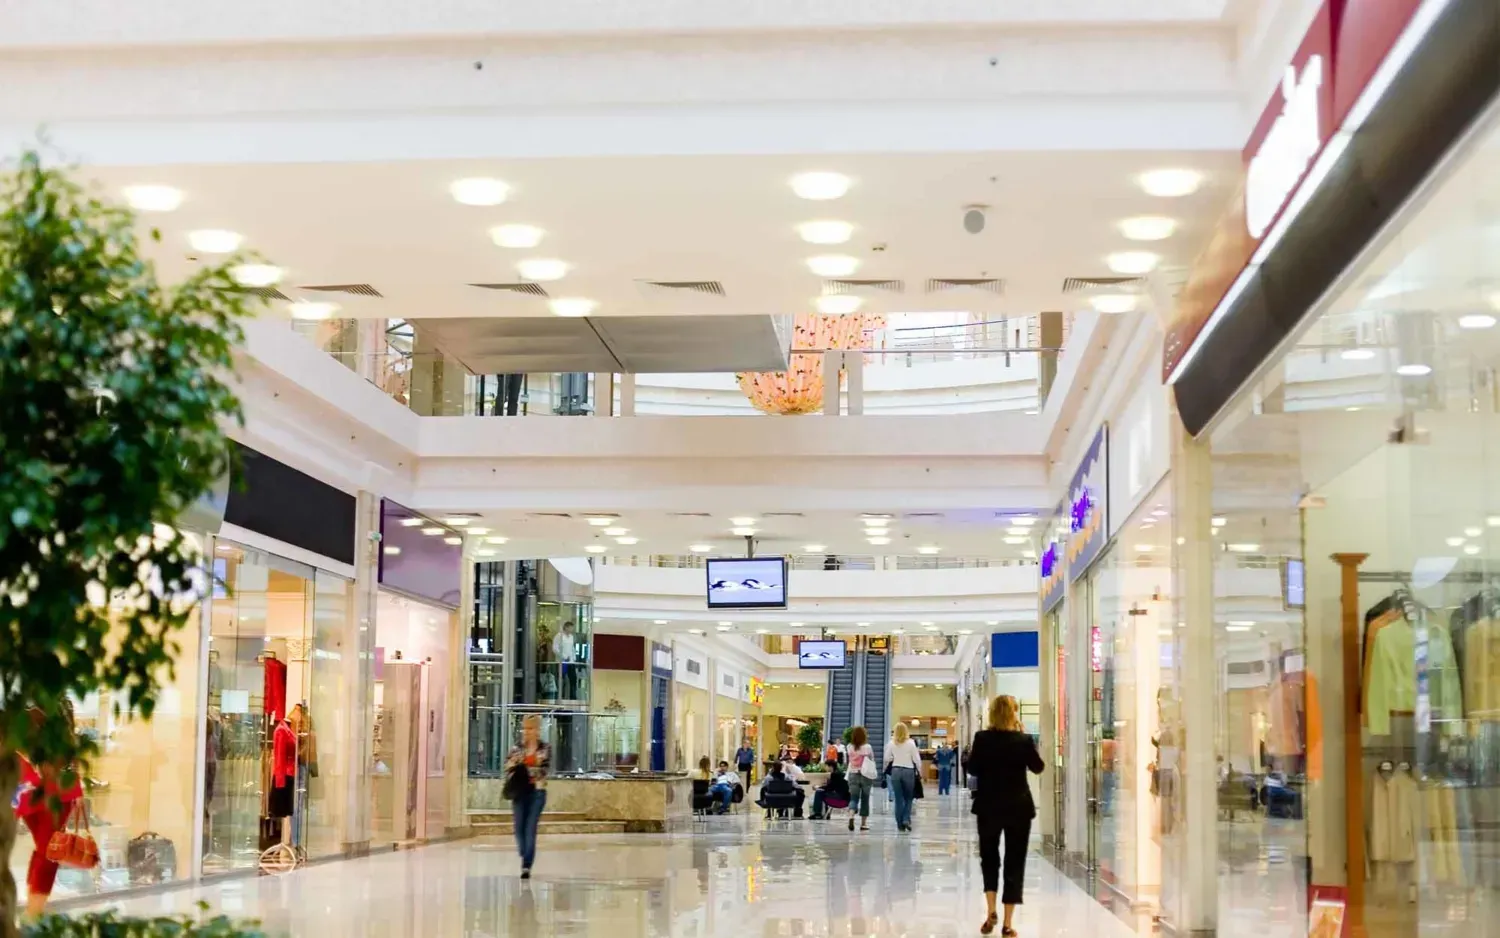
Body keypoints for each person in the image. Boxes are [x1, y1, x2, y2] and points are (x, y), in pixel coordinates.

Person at [965, 695, 1045, 936]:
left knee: (989, 858)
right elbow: (1038, 767)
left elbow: (972, 768)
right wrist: (1025, 740)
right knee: (1014, 861)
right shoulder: (1023, 740)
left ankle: (991, 910)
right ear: (1013, 713)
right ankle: (1008, 924)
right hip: (1018, 807)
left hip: (988, 806)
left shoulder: (982, 738)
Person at [15, 705, 84, 919]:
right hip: (30, 791)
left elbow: (70, 755)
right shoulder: (23, 711)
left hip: (56, 793)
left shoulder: (56, 713)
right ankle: (33, 907)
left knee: (46, 851)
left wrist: (77, 791)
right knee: (44, 851)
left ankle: (34, 910)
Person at [504, 714, 552, 879]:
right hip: (520, 792)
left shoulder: (545, 748)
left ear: (537, 730)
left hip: (537, 793)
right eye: (525, 728)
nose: (527, 732)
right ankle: (525, 852)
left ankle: (526, 865)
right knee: (519, 828)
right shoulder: (517, 747)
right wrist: (527, 766)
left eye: (531, 728)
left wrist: (522, 766)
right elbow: (508, 766)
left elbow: (544, 771)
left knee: (530, 828)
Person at [885, 722, 922, 833]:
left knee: (898, 799)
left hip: (896, 770)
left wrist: (893, 758)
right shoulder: (911, 743)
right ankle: (906, 819)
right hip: (908, 771)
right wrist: (919, 771)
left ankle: (900, 824)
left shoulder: (891, 743)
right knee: (909, 797)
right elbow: (916, 759)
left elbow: (886, 758)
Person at [845, 725, 876, 832]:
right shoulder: (868, 747)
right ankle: (863, 824)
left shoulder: (849, 747)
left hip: (853, 774)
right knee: (865, 799)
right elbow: (872, 759)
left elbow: (848, 760)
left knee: (854, 798)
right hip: (866, 775)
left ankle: (851, 815)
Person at [552, 621, 578, 700]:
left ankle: (573, 697)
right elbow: (555, 648)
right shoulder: (559, 636)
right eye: (570, 627)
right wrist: (563, 656)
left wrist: (574, 658)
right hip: (562, 661)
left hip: (570, 661)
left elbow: (572, 648)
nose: (572, 629)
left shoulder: (571, 637)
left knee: (573, 679)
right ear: (566, 627)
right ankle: (560, 697)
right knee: (561, 680)